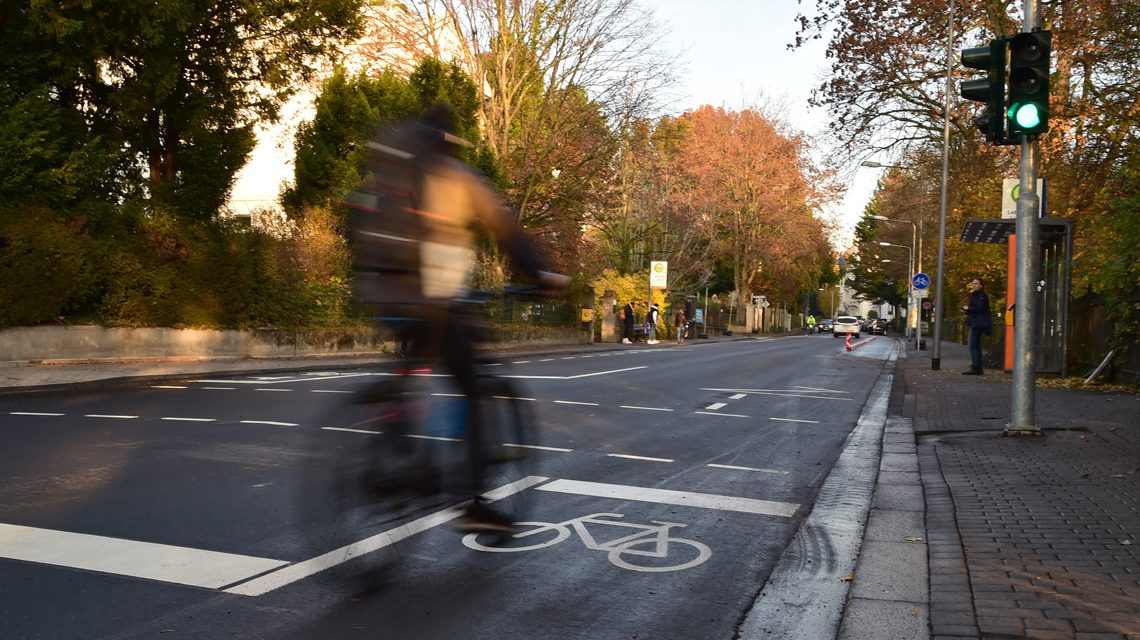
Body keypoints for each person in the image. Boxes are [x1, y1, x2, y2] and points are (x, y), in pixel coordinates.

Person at [347, 103, 568, 531]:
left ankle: (396, 435)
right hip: (434, 300)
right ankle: (473, 504)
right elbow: (506, 232)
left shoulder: (388, 173)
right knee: (474, 388)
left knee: (411, 370)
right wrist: (538, 273)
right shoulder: (456, 176)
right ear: (449, 141)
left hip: (383, 294)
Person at [960, 277, 992, 375]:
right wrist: (967, 311)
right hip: (975, 322)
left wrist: (968, 309)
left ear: (981, 285)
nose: (974, 285)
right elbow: (977, 309)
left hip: (977, 324)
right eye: (973, 283)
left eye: (976, 283)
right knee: (976, 346)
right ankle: (977, 367)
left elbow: (980, 308)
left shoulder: (981, 295)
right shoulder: (977, 295)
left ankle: (976, 367)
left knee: (972, 346)